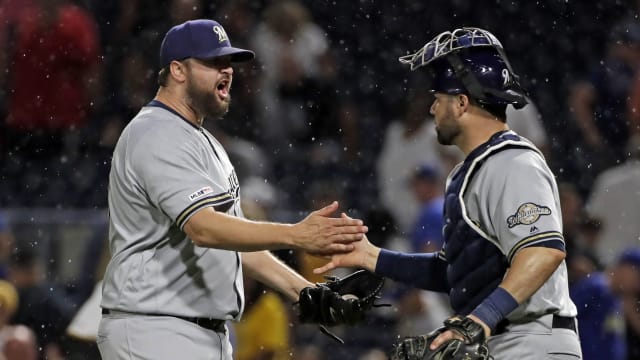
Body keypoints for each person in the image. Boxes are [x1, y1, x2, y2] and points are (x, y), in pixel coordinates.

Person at [97, 19, 368, 360]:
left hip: (193, 331)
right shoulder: (157, 133)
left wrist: (305, 291)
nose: (226, 71)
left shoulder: (201, 140)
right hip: (157, 328)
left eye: (229, 63)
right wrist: (295, 236)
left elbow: (235, 244)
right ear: (178, 71)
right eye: (213, 63)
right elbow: (203, 228)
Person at [315, 27, 581, 359]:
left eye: (437, 100)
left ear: (461, 103)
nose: (431, 110)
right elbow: (457, 272)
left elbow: (543, 252)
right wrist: (372, 257)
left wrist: (478, 321)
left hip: (533, 339)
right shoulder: (469, 170)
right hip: (499, 340)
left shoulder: (514, 162)